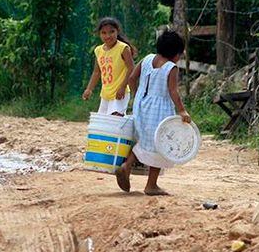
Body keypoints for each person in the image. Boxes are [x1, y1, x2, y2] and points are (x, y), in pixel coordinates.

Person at [115, 30, 191, 195]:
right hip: (160, 110)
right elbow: (173, 91)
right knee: (159, 145)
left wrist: (138, 95)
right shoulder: (171, 68)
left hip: (141, 105)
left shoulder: (147, 59)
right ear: (176, 54)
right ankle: (151, 185)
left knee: (143, 141)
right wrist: (182, 110)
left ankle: (126, 166)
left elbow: (132, 78)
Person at [82, 17, 136, 116]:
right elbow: (97, 72)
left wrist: (122, 87)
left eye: (111, 32)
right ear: (99, 34)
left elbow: (131, 68)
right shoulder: (98, 50)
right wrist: (89, 89)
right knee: (103, 123)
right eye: (104, 33)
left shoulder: (123, 48)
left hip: (119, 93)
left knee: (115, 119)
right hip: (106, 94)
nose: (108, 36)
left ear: (117, 31)